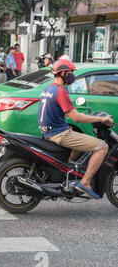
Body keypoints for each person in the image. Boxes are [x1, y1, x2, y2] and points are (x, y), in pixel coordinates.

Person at [37, 59, 113, 199]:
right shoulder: (60, 92)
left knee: (78, 135)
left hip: (49, 131)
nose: (72, 76)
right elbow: (76, 118)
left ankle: (68, 169)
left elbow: (67, 112)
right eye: (71, 72)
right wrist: (101, 119)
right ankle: (85, 182)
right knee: (102, 147)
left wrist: (82, 115)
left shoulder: (48, 89)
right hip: (59, 134)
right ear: (63, 73)